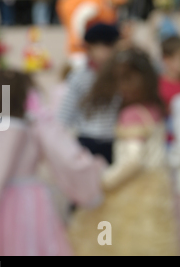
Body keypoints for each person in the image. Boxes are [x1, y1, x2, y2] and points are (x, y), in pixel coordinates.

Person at [0, 70, 105, 255]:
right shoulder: (37, 125)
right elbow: (68, 159)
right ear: (25, 92)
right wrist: (94, 179)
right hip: (30, 199)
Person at [69, 48, 179, 256]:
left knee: (112, 242)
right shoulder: (154, 108)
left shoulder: (131, 114)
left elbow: (133, 161)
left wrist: (103, 182)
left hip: (132, 190)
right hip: (158, 186)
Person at [58, 24, 121, 164]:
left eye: (111, 46)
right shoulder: (79, 77)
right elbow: (64, 116)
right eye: (104, 46)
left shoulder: (121, 76)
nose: (107, 52)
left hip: (116, 140)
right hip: (87, 141)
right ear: (89, 48)